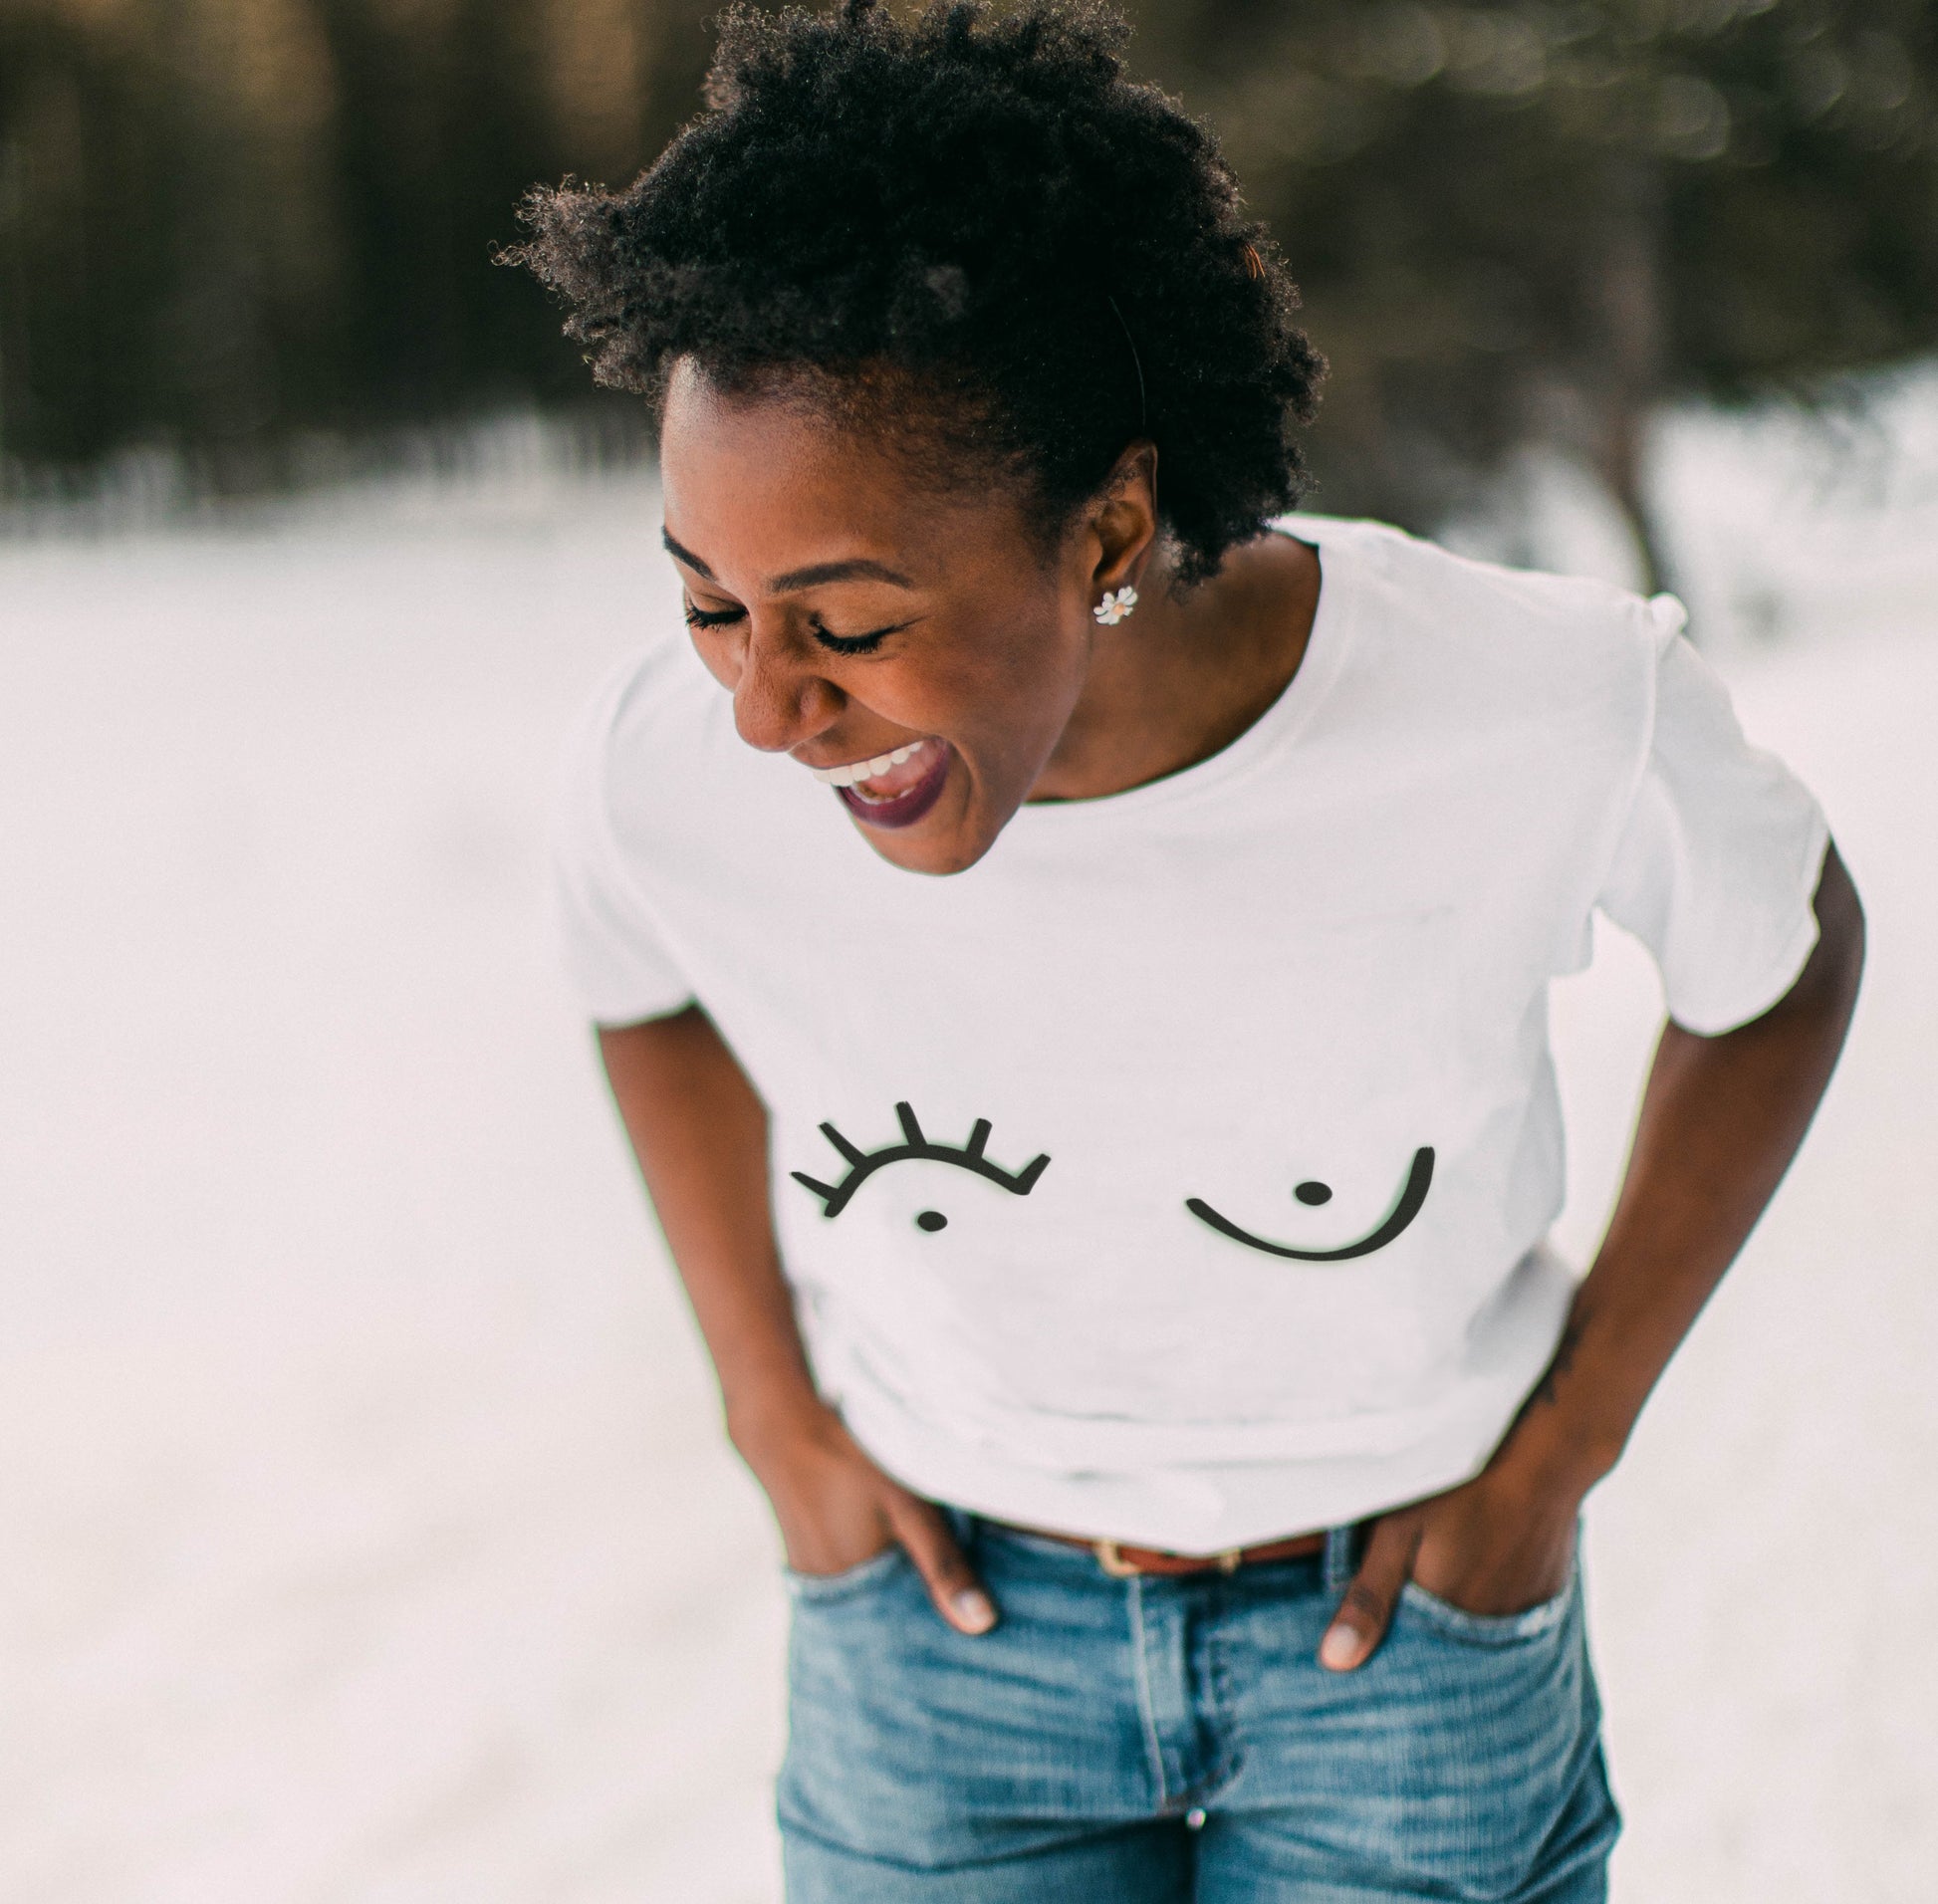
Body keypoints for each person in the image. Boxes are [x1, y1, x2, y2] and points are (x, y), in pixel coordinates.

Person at [512, 3, 1863, 1897]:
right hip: (939, 1651)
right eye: (709, 600)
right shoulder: (666, 771)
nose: (763, 709)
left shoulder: (1538, 709)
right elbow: (635, 984)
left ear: (1112, 526)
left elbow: (1782, 959)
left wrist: (1567, 1442)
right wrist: (766, 1403)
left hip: (1402, 1652)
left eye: (846, 622)